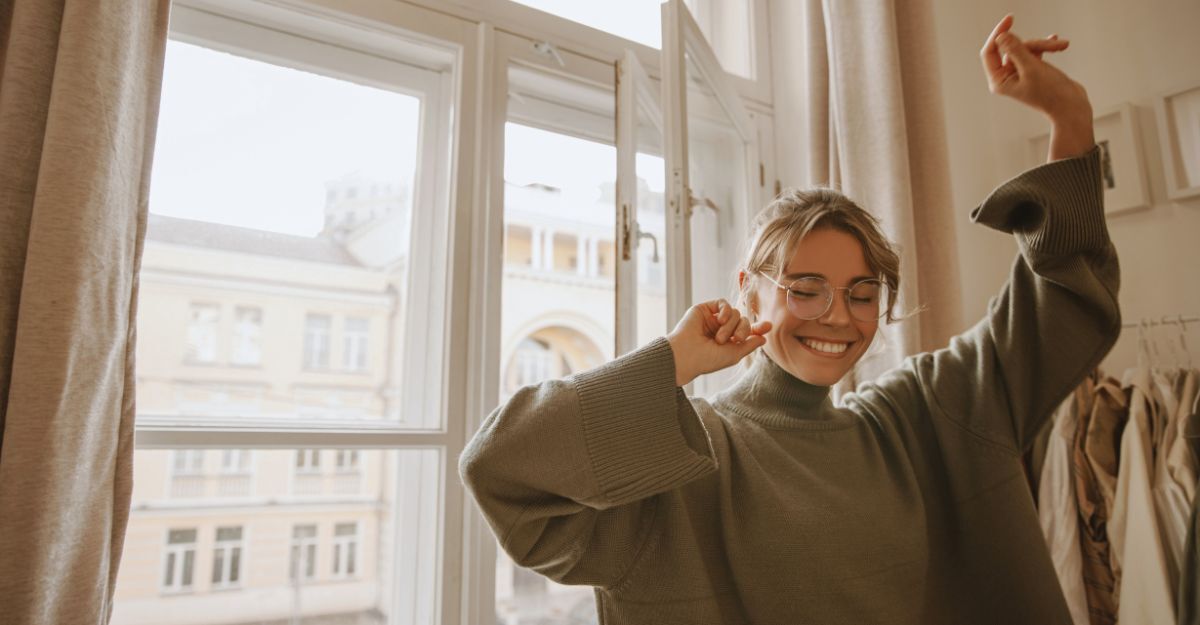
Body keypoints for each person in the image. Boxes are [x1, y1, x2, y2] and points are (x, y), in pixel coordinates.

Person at [460, 14, 1121, 625]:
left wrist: (1068, 114)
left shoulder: (921, 418)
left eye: (863, 292)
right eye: (807, 289)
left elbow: (1059, 308)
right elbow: (502, 468)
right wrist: (676, 359)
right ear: (750, 291)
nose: (839, 315)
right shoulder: (687, 456)